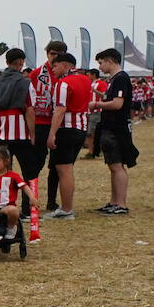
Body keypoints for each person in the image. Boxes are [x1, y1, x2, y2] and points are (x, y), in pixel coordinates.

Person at [45, 53, 92, 220]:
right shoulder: (86, 80)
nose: (53, 70)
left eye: (55, 66)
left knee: (64, 171)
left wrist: (51, 134)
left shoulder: (62, 84)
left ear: (65, 65)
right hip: (80, 129)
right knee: (68, 170)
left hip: (65, 130)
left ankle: (66, 209)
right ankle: (67, 208)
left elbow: (60, 110)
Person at [90, 48, 136, 214]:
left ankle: (121, 204)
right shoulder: (114, 79)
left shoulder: (121, 78)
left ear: (110, 60)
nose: (100, 67)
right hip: (111, 126)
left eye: (101, 63)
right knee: (113, 165)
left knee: (117, 166)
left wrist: (96, 104)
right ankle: (114, 201)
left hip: (116, 128)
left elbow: (117, 104)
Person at [29, 40, 66, 211]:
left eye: (59, 55)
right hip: (40, 123)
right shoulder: (37, 74)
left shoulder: (66, 75)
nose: (55, 58)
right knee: (36, 163)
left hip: (60, 123)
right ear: (47, 54)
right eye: (52, 54)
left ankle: (52, 200)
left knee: (57, 164)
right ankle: (30, 201)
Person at [0, 147, 37, 240]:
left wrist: (32, 197)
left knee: (14, 211)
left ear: (6, 161)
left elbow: (24, 187)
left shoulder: (13, 176)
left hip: (7, 206)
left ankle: (11, 228)